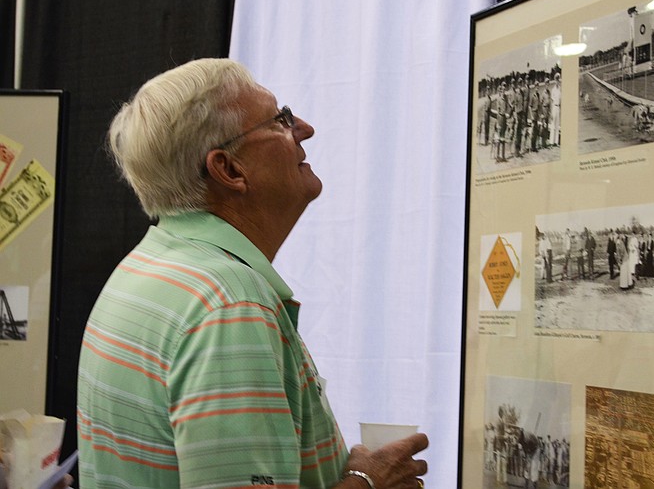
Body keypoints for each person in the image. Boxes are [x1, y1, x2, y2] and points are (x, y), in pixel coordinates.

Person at [76, 59, 428, 488]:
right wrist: (366, 481)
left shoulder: (147, 268)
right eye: (280, 120)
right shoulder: (228, 305)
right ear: (228, 169)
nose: (305, 128)